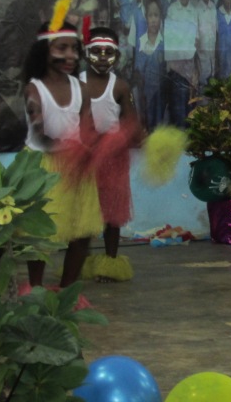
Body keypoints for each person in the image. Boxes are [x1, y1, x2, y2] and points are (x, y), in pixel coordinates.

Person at [21, 3, 102, 293]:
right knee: (40, 232)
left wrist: (94, 148)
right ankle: (36, 288)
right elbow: (40, 136)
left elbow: (86, 130)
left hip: (76, 167)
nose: (70, 56)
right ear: (45, 51)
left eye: (74, 49)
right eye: (62, 49)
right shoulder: (34, 90)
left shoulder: (81, 89)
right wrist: (71, 151)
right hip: (44, 168)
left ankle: (68, 290)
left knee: (81, 232)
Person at [80, 26, 141, 283]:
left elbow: (131, 122)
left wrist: (122, 139)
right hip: (83, 157)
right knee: (82, 212)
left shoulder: (120, 87)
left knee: (111, 214)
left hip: (113, 159)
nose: (103, 57)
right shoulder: (78, 83)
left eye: (108, 52)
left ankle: (110, 261)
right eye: (97, 51)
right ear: (86, 53)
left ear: (116, 55)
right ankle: (79, 262)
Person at [134, 0, 166, 129]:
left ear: (161, 18)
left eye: (156, 15)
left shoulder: (164, 42)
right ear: (146, 18)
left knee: (159, 123)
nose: (153, 19)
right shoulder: (141, 42)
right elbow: (138, 71)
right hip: (145, 95)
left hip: (161, 94)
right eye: (150, 15)